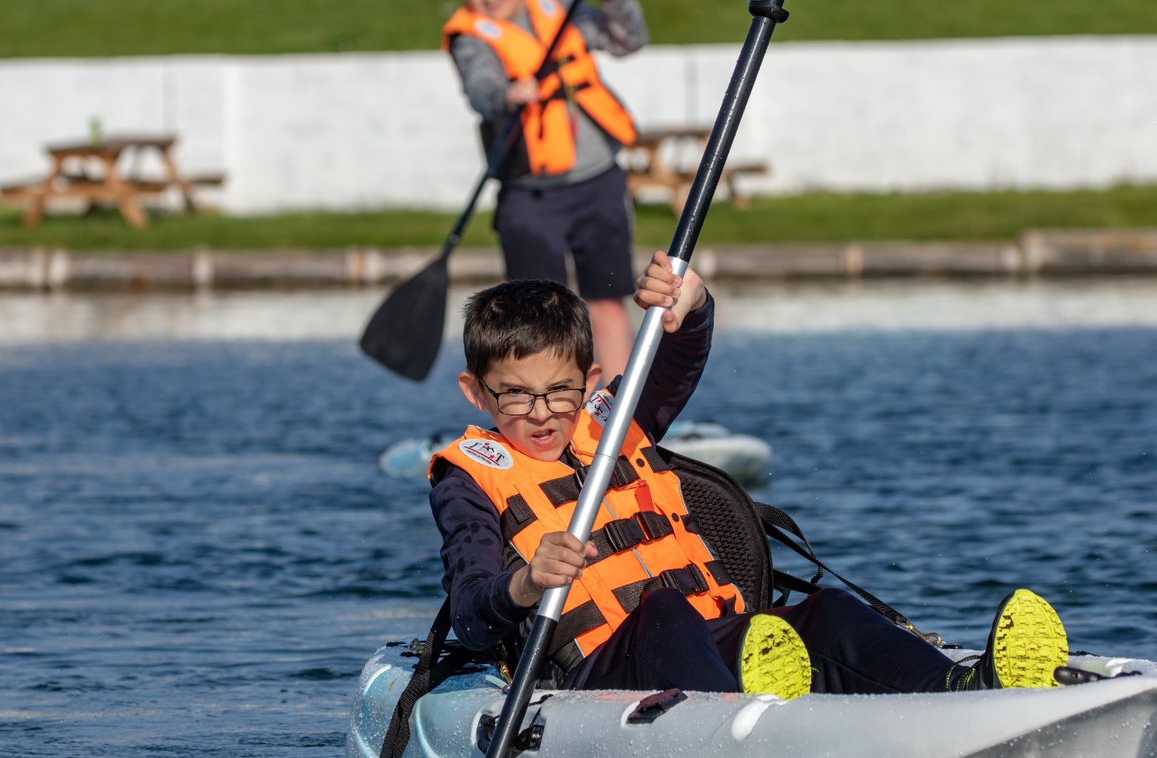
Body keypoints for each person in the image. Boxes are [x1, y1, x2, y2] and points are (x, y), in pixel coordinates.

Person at [427, 250, 1072, 697]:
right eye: (516, 396)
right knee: (663, 611)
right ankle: (744, 722)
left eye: (560, 392)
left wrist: (694, 301)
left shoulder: (616, 419)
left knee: (829, 615)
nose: (542, 415)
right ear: (475, 392)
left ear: (588, 381)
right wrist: (525, 583)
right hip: (602, 673)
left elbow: (675, 358)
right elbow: (471, 613)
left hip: (723, 642)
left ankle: (966, 688)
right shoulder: (467, 479)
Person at [442, 0, 647, 382]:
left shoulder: (559, 8)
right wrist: (507, 94)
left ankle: (623, 412)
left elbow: (628, 39)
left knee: (608, 300)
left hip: (598, 181)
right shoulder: (469, 36)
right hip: (530, 196)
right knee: (541, 314)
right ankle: (551, 414)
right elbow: (480, 87)